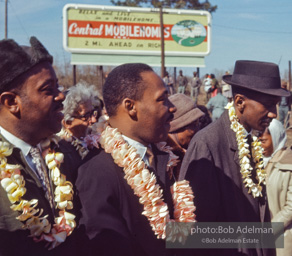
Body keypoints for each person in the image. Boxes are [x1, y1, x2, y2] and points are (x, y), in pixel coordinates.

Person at [76, 63, 195, 256]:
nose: (172, 108)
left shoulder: (166, 156)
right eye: (162, 99)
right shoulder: (97, 172)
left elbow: (177, 233)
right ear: (131, 107)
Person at [179, 60, 290, 256]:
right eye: (267, 104)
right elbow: (192, 233)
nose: (274, 114)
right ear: (239, 102)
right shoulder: (208, 144)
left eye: (276, 105)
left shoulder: (252, 137)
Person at [0, 37, 81, 255]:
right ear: (11, 102)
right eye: (48, 89)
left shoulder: (66, 153)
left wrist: (182, 244)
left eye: (58, 86)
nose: (61, 95)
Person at [259, 119, 292, 256]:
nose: (259, 145)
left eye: (263, 141)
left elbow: (290, 207)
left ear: (277, 137)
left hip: (281, 235)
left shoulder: (288, 165)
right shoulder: (255, 161)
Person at [59, 83, 100, 161]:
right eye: (86, 116)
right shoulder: (62, 153)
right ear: (68, 123)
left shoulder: (96, 141)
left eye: (93, 112)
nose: (94, 120)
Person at [167, 94, 204, 179]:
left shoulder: (184, 152)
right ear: (177, 127)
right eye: (194, 125)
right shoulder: (163, 158)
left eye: (198, 124)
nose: (197, 130)